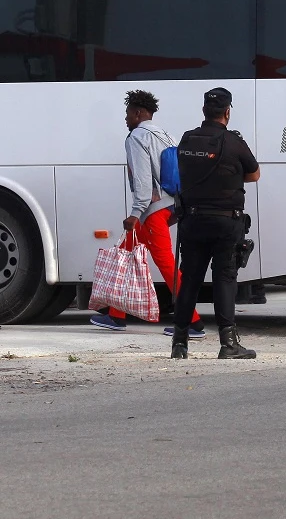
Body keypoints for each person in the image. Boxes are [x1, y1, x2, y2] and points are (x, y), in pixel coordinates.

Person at [88, 89, 205, 338]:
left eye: (128, 113)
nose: (126, 119)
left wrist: (135, 212)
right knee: (127, 249)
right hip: (172, 204)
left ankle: (191, 322)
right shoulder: (166, 135)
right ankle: (116, 316)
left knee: (165, 261)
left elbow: (142, 179)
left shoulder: (137, 137)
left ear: (139, 113)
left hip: (153, 209)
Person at [170, 88, 261, 360]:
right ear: (228, 112)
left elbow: (184, 171)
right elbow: (254, 175)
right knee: (224, 279)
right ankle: (229, 344)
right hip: (225, 222)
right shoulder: (234, 142)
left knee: (190, 281)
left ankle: (179, 343)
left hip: (192, 220)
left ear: (203, 111)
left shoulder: (187, 140)